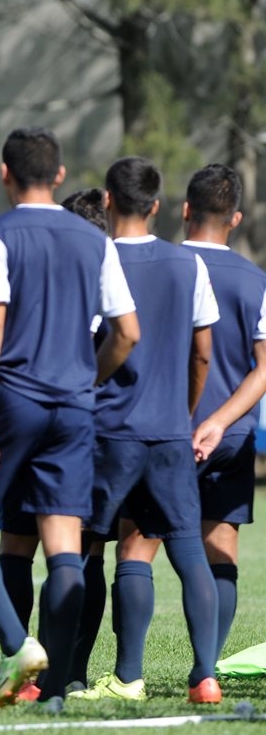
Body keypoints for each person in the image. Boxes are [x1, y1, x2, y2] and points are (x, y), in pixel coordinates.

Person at [0, 127, 139, 712]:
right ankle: (54, 690)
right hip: (74, 408)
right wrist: (88, 382)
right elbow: (127, 333)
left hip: (13, 398)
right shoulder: (95, 239)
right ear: (58, 175)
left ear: (5, 174)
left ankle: (16, 645)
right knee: (66, 549)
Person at [68, 157, 221, 704]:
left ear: (106, 201)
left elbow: (85, 343)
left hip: (107, 432)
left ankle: (72, 674)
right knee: (184, 550)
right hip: (169, 433)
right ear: (157, 206)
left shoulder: (92, 257)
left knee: (80, 549)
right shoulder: (190, 265)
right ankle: (204, 675)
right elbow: (202, 353)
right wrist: (181, 411)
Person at [183, 164, 266, 663]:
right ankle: (205, 670)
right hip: (230, 435)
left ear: (185, 209)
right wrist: (221, 421)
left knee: (135, 549)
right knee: (221, 550)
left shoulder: (161, 266)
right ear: (234, 217)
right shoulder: (257, 281)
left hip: (161, 431)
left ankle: (127, 673)